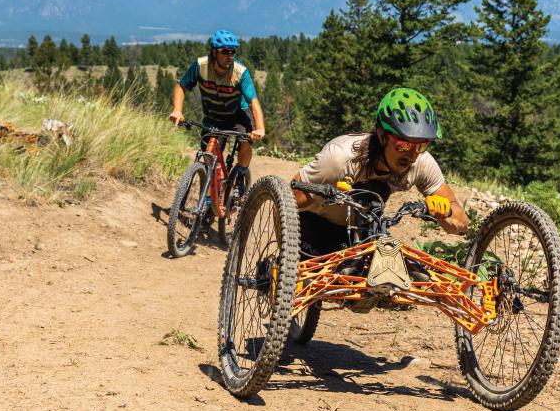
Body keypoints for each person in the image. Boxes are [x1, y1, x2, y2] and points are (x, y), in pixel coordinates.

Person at [291, 87, 468, 256]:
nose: (412, 155)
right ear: (382, 135)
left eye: (421, 145)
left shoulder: (422, 162)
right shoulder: (340, 159)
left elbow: (462, 223)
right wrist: (286, 264)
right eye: (404, 145)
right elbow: (286, 204)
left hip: (359, 232)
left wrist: (447, 213)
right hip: (310, 227)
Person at [168, 29, 265, 174]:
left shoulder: (240, 72)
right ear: (214, 52)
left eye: (233, 52)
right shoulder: (201, 66)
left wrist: (260, 128)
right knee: (209, 154)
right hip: (214, 116)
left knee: (245, 141)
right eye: (225, 51)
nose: (230, 56)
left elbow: (253, 102)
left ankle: (241, 173)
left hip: (239, 113)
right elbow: (181, 86)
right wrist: (177, 110)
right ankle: (208, 194)